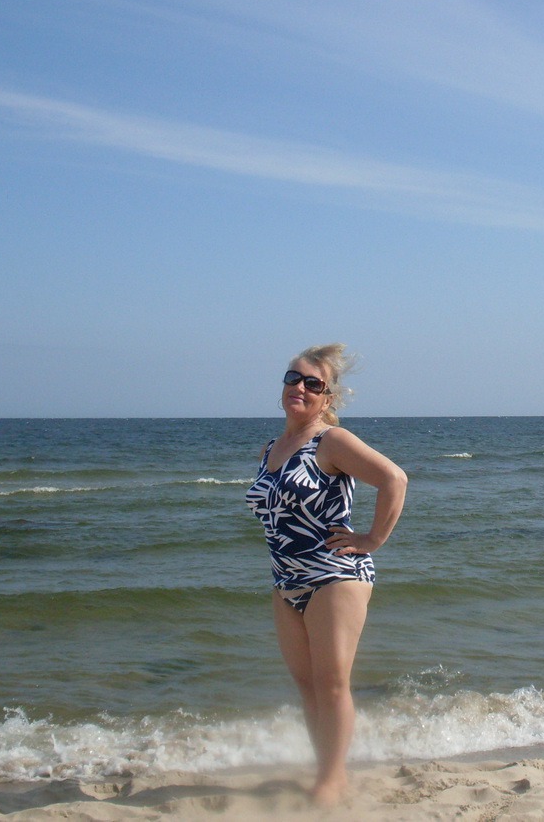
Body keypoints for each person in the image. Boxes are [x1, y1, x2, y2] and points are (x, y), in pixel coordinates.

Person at [245, 344, 407, 806]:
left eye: (312, 383)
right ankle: (327, 771)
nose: (299, 387)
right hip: (286, 581)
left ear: (327, 397)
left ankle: (332, 783)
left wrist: (372, 539)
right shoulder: (270, 449)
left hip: (335, 575)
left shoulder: (331, 441)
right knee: (308, 685)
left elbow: (394, 479)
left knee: (332, 683)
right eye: (293, 378)